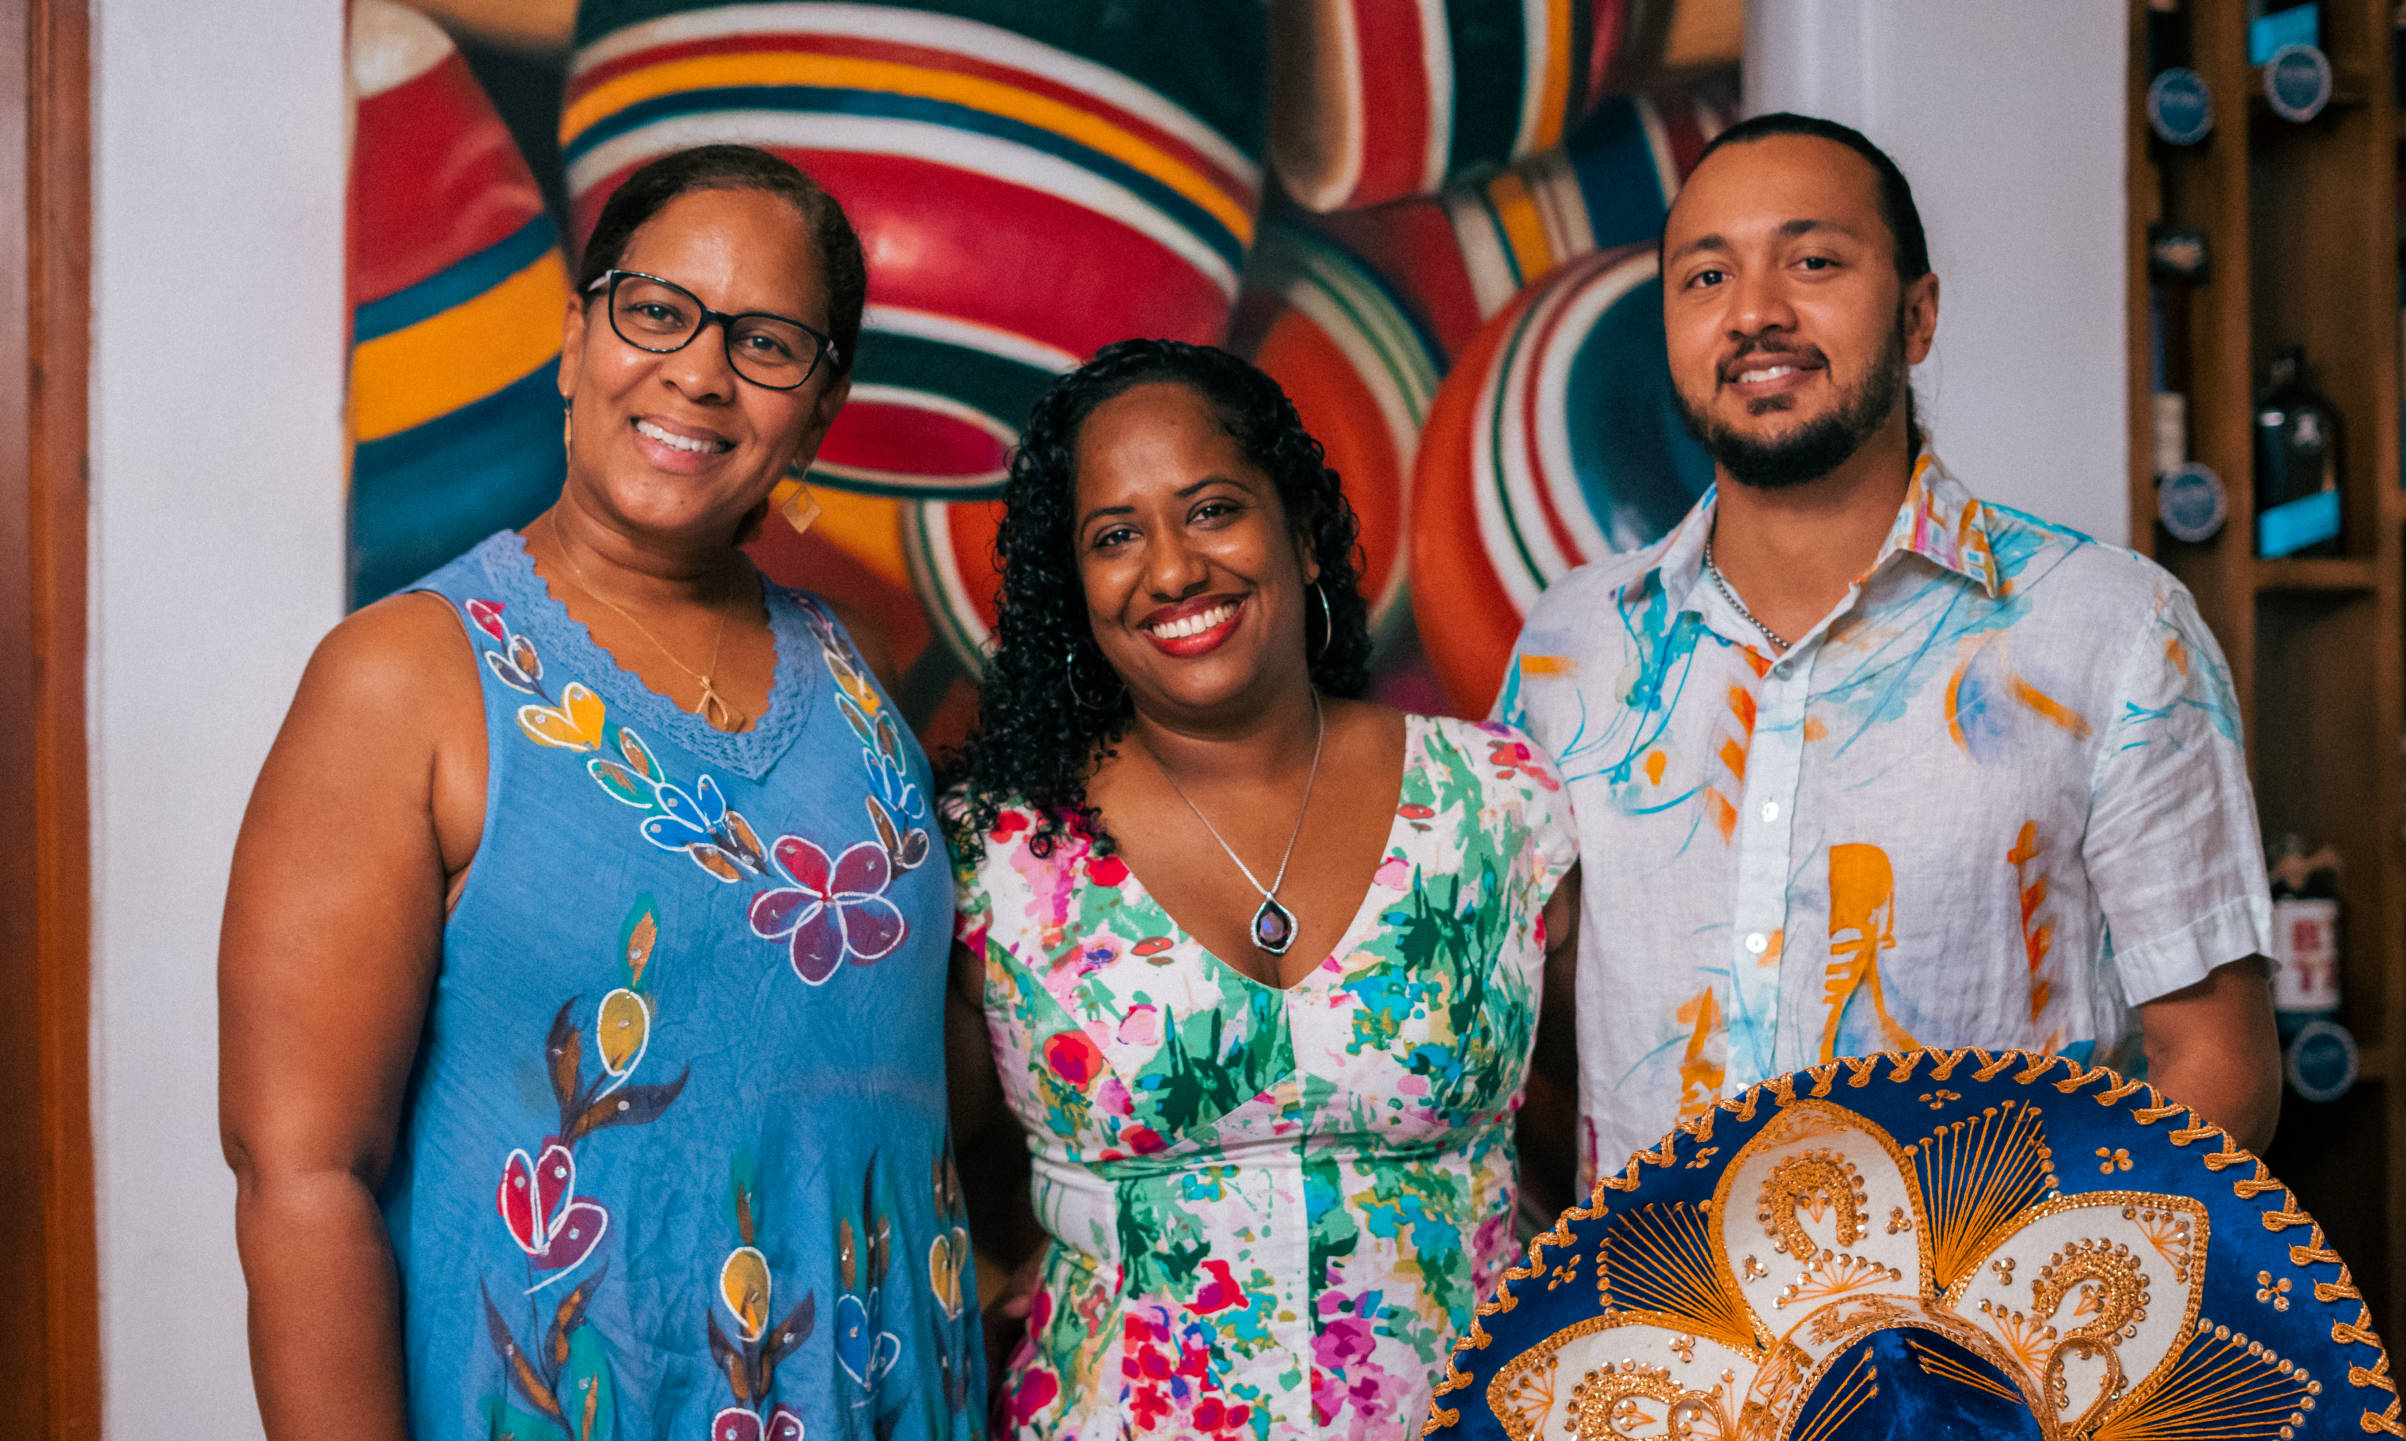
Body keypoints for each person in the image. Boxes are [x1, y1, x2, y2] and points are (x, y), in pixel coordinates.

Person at [220, 145, 985, 1440]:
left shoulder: (859, 672)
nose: (699, 371)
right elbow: (301, 1175)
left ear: (821, 410)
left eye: (766, 343)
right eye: (657, 310)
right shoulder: (406, 678)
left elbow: (906, 1074)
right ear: (576, 340)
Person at [1497, 113, 2282, 1188]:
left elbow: (2219, 1065)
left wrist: (2025, 1284)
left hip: (1989, 1292)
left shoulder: (2115, 631)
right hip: (1656, 1296)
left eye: (1813, 262)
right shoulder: (1571, 647)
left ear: (1918, 315)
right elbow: (1519, 1034)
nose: (1755, 314)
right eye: (1707, 277)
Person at [941, 339, 1579, 1438]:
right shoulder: (996, 854)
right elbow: (915, 1163)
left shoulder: (1496, 801)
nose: (1173, 571)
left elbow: (1605, 1128)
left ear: (1303, 532)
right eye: (1115, 536)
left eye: (1212, 510)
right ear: (1076, 590)